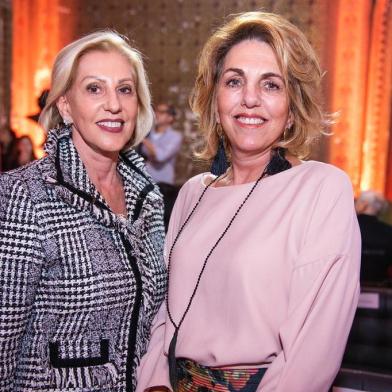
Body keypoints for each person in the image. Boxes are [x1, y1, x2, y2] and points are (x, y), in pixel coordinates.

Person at [136, 12, 361, 392]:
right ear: (216, 101)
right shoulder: (194, 192)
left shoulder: (321, 189)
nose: (250, 99)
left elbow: (312, 353)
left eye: (271, 85)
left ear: (292, 109)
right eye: (234, 81)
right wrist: (154, 383)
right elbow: (165, 312)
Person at [0, 31, 166, 391]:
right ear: (65, 105)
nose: (114, 105)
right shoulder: (24, 195)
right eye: (94, 89)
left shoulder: (148, 199)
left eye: (125, 89)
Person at [141, 103, 183, 185]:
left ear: (170, 118)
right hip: (145, 180)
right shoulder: (149, 133)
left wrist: (143, 139)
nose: (156, 114)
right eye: (156, 111)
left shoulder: (175, 136)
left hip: (163, 183)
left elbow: (161, 156)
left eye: (162, 112)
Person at [355, 190, 392, 283]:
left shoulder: (349, 227)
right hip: (379, 287)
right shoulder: (388, 230)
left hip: (350, 287)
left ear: (363, 204)